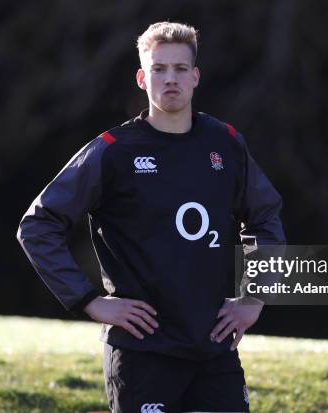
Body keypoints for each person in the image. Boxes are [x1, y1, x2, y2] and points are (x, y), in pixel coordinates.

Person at [17, 21, 285, 413]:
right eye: (159, 69)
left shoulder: (224, 143)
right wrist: (90, 301)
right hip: (142, 354)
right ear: (142, 79)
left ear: (195, 77)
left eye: (179, 69)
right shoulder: (112, 151)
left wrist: (254, 296)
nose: (170, 79)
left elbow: (265, 218)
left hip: (213, 350)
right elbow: (38, 226)